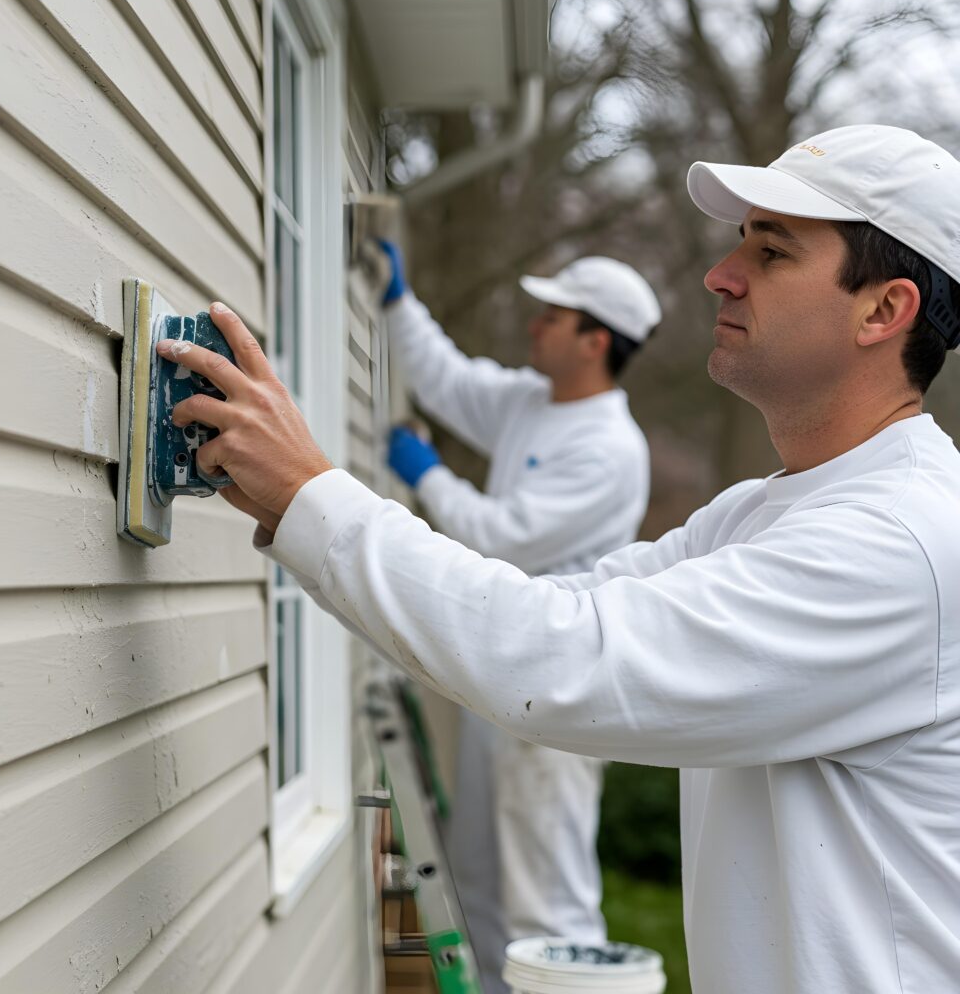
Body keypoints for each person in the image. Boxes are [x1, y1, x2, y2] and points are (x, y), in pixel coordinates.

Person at [156, 123, 960, 993]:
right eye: (740, 245)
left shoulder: (897, 543)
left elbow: (560, 659)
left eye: (771, 253)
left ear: (884, 309)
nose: (720, 274)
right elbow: (564, 610)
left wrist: (315, 494)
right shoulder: (761, 512)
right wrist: (298, 501)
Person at [377, 249, 661, 989]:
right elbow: (449, 379)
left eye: (553, 317)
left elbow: (498, 535)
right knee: (478, 876)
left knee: (548, 900)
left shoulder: (608, 449)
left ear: (595, 341)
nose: (534, 327)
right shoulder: (532, 402)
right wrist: (399, 302)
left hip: (559, 698)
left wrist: (426, 473)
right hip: (497, 674)